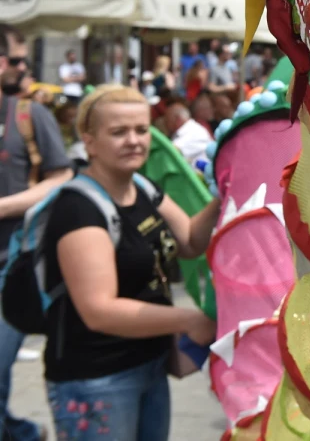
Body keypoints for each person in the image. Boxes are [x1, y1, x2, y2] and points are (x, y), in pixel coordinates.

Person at [42, 85, 219, 441]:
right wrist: (189, 319)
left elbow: (188, 241)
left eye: (141, 130)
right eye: (118, 132)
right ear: (89, 142)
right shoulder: (78, 208)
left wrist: (226, 188)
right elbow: (99, 310)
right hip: (97, 381)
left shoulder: (142, 186)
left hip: (149, 365)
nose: (134, 141)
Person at [0, 26, 72, 441]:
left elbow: (60, 175)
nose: (25, 68)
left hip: (10, 267)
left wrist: (6, 207)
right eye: (18, 60)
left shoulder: (28, 114)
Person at [162, 103, 214, 168]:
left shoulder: (194, 130)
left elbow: (171, 151)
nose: (165, 123)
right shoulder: (177, 133)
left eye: (167, 119)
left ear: (178, 119)